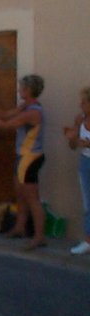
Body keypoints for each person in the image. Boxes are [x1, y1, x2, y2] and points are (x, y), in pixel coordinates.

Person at [0, 75, 47, 250]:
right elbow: (5, 114)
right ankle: (20, 227)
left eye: (21, 88)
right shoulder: (26, 107)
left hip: (30, 157)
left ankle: (39, 236)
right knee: (20, 194)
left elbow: (5, 125)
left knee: (32, 198)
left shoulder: (32, 112)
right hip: (22, 156)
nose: (19, 90)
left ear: (28, 90)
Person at [65, 87, 90, 255]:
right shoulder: (80, 119)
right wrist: (72, 138)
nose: (80, 105)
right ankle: (88, 240)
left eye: (84, 102)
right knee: (87, 202)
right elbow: (73, 146)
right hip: (85, 161)